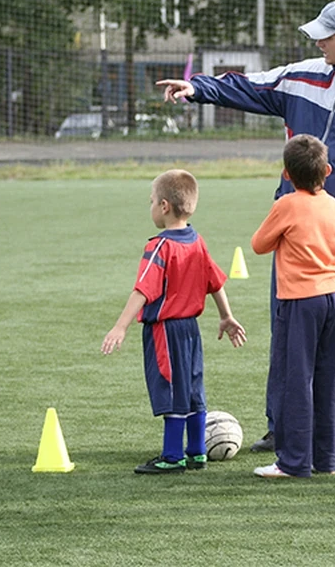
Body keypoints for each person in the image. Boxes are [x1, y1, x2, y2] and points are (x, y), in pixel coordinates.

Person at [156, 0, 335, 455]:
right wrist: (197, 87)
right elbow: (249, 86)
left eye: (326, 36)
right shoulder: (303, 76)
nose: (317, 42)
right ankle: (283, 426)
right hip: (293, 241)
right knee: (288, 334)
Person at [101, 169, 246, 475]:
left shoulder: (160, 246)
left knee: (171, 388)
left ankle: (172, 456)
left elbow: (143, 289)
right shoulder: (196, 240)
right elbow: (215, 282)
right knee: (192, 388)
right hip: (191, 330)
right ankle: (196, 452)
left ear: (164, 206)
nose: (151, 206)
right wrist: (226, 315)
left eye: (151, 200)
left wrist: (120, 326)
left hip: (165, 331)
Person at [249, 134, 335, 478]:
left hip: (299, 301)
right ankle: (327, 458)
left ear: (286, 174)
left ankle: (293, 461)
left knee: (296, 378)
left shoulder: (287, 205)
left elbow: (259, 244)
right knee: (330, 377)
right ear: (327, 170)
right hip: (334, 297)